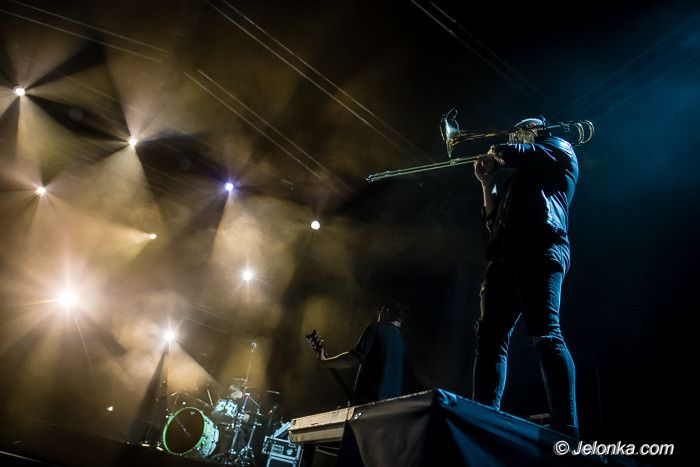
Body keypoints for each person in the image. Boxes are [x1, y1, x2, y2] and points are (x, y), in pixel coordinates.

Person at [472, 117, 579, 438]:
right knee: (489, 338)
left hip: (541, 245)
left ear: (540, 129)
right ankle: (483, 419)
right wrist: (486, 184)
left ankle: (566, 427)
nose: (517, 131)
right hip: (504, 253)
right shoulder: (518, 176)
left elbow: (511, 151)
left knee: (546, 333)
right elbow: (492, 221)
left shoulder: (559, 148)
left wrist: (501, 147)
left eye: (525, 127)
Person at [318, 302, 407, 405]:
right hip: (392, 408)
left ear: (386, 311)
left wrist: (324, 362)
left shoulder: (376, 328)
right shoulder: (402, 342)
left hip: (369, 404)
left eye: (380, 310)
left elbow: (350, 360)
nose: (378, 314)